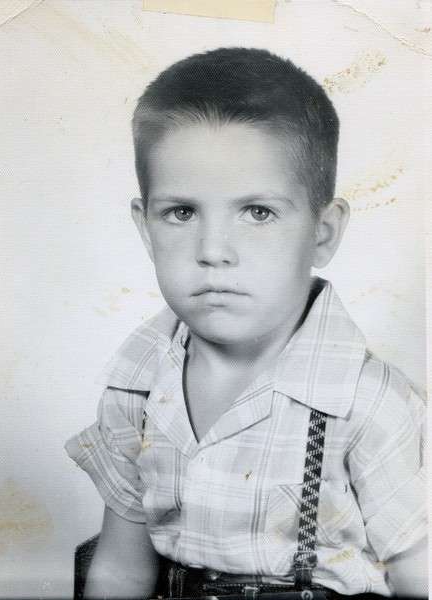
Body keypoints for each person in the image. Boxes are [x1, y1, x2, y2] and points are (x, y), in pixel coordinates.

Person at [65, 48, 427, 599]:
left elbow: (420, 576)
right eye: (182, 212)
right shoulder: (137, 385)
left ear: (323, 232)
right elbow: (121, 568)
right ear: (145, 228)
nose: (214, 250)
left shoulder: (368, 403)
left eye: (258, 212)